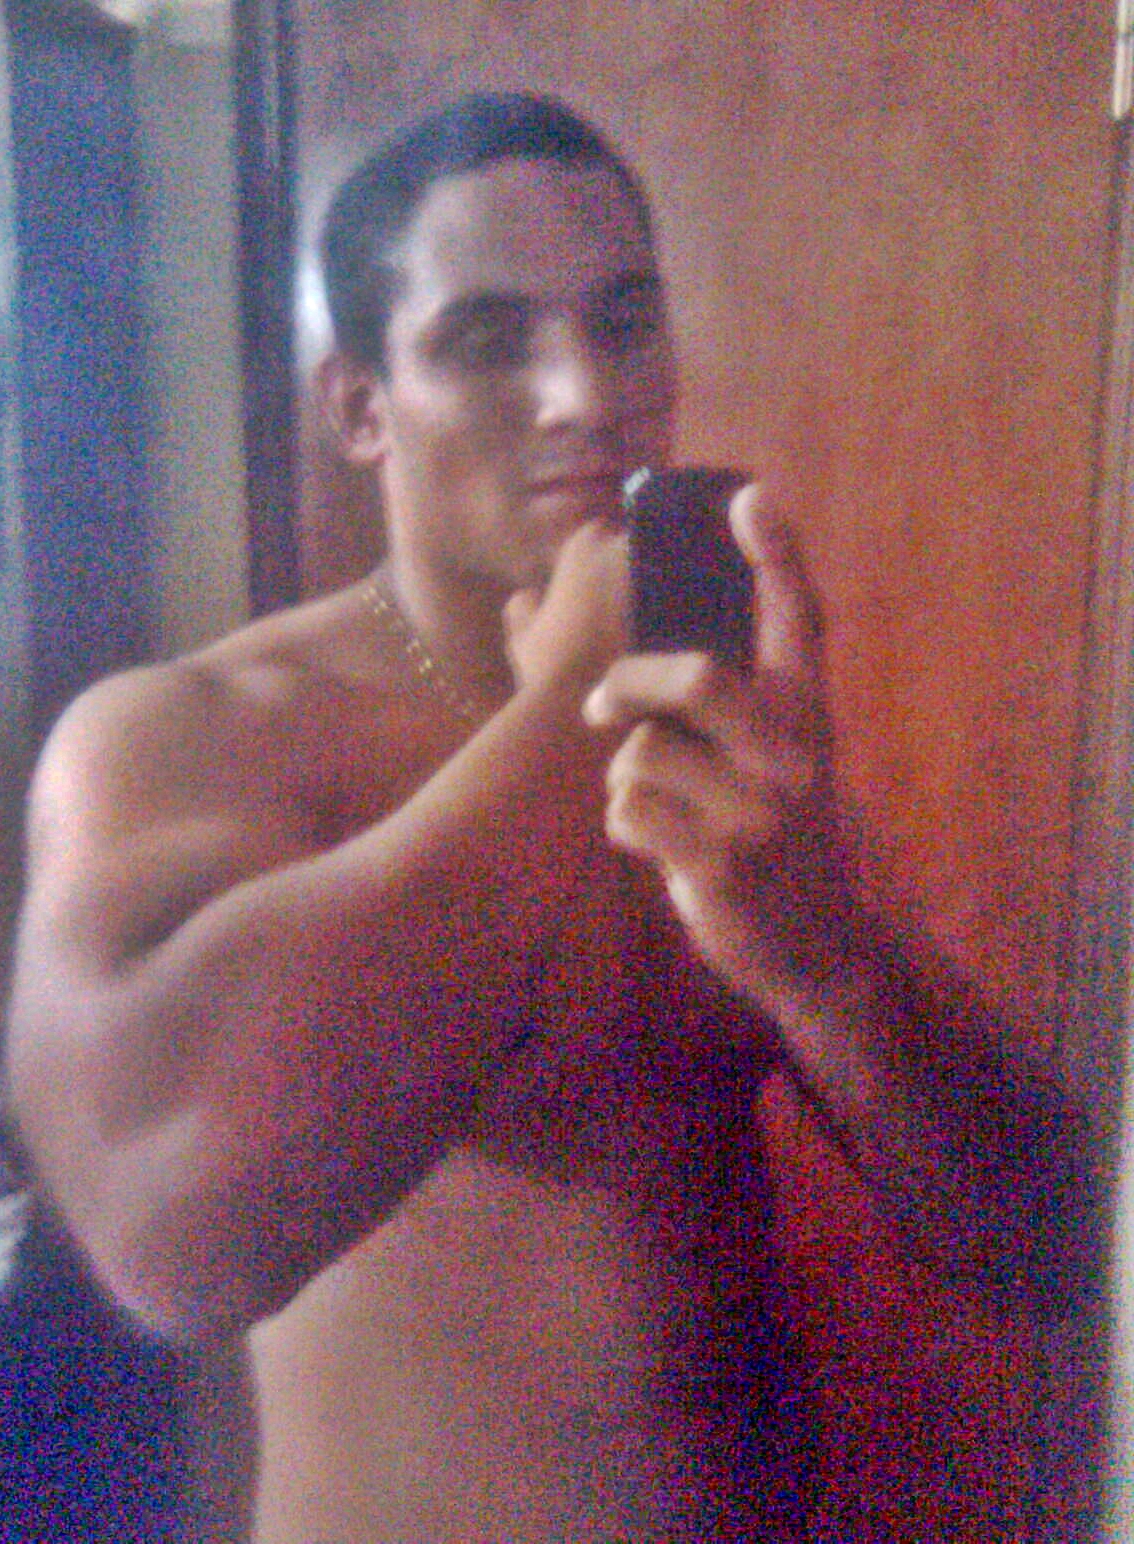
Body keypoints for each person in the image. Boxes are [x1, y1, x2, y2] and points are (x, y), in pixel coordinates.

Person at [3, 92, 1100, 1541]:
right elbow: (169, 1241)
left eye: (624, 321)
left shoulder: (720, 725)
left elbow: (1048, 1244)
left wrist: (819, 954)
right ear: (360, 407)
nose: (586, 393)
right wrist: (570, 694)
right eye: (487, 340)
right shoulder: (199, 737)